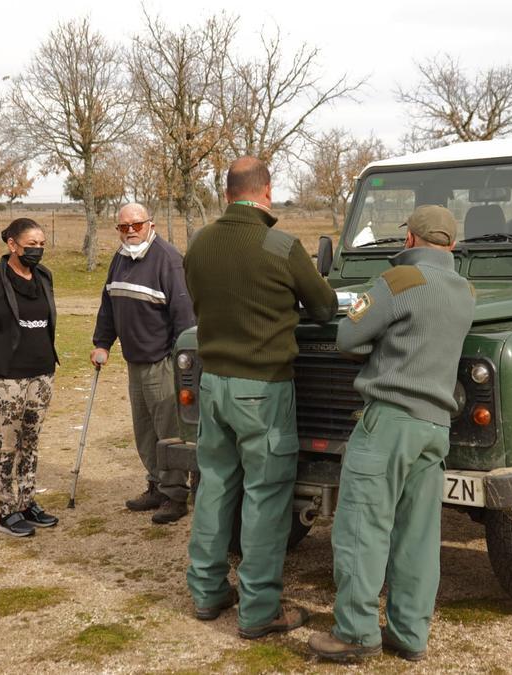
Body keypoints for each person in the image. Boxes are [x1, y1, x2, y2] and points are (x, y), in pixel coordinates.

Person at [308, 204, 475, 663]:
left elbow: (346, 337)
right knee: (418, 536)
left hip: (389, 421)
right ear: (452, 245)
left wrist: (374, 346)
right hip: (434, 426)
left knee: (362, 527)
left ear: (410, 240)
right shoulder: (465, 290)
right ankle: (409, 633)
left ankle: (356, 633)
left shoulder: (399, 281)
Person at [183, 157, 338, 639]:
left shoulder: (200, 243)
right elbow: (325, 305)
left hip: (214, 384)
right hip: (263, 388)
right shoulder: (281, 244)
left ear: (228, 192)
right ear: (266, 191)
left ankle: (207, 593)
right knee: (266, 496)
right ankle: (258, 610)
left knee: (214, 489)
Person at [91, 202, 195, 524]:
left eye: (136, 224)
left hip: (163, 361)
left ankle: (175, 495)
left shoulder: (169, 260)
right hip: (134, 361)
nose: (131, 231)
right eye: (124, 227)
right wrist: (102, 343)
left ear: (150, 224)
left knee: (169, 432)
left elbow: (185, 318)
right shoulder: (119, 259)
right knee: (145, 431)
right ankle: (156, 484)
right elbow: (109, 305)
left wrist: (183, 364)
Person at [0, 217, 61, 538]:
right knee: (9, 443)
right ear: (12, 245)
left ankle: (27, 502)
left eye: (41, 244)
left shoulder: (44, 277)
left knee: (31, 440)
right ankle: (7, 510)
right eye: (31, 245)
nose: (37, 250)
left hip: (42, 374)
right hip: (8, 378)